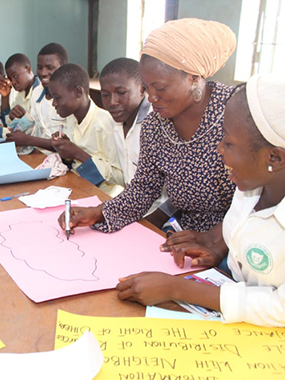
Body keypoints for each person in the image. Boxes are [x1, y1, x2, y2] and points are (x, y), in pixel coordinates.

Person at [116, 73, 285, 327]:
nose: (219, 150)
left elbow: (278, 307)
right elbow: (243, 234)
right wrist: (217, 247)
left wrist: (179, 289)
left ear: (274, 159)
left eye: (228, 143)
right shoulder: (250, 188)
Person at [59, 18, 237, 233]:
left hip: (240, 240)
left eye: (159, 88)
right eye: (147, 87)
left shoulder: (234, 113)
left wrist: (216, 242)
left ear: (193, 77)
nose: (151, 98)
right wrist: (100, 211)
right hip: (182, 232)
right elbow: (144, 188)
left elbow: (259, 199)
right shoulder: (155, 125)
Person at [99, 57, 169, 217]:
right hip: (133, 209)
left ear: (142, 89)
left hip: (159, 218)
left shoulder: (158, 124)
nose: (112, 102)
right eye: (105, 95)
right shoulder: (115, 123)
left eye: (121, 93)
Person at [49, 63, 123, 195]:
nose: (54, 103)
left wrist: (77, 153)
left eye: (57, 98)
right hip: (78, 186)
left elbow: (121, 176)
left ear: (78, 92)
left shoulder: (107, 125)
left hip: (104, 197)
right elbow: (74, 163)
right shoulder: (71, 118)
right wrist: (65, 150)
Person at [6, 43, 69, 155]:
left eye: (50, 68)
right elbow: (34, 128)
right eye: (39, 67)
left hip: (62, 160)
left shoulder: (70, 100)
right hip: (38, 155)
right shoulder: (37, 93)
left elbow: (68, 146)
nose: (43, 73)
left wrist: (27, 139)